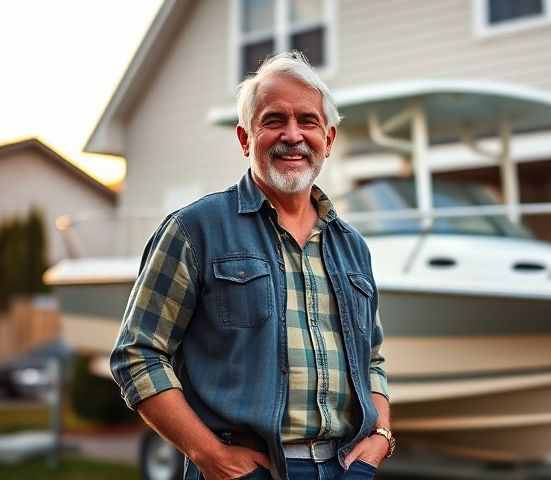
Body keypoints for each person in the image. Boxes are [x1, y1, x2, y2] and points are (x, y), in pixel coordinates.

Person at [110, 51, 394, 480]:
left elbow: (371, 360)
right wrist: (208, 454)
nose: (293, 135)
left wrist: (380, 439)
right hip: (243, 470)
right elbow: (138, 354)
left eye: (308, 121)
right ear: (246, 139)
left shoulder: (352, 245)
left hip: (347, 467)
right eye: (274, 120)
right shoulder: (194, 230)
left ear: (329, 140)